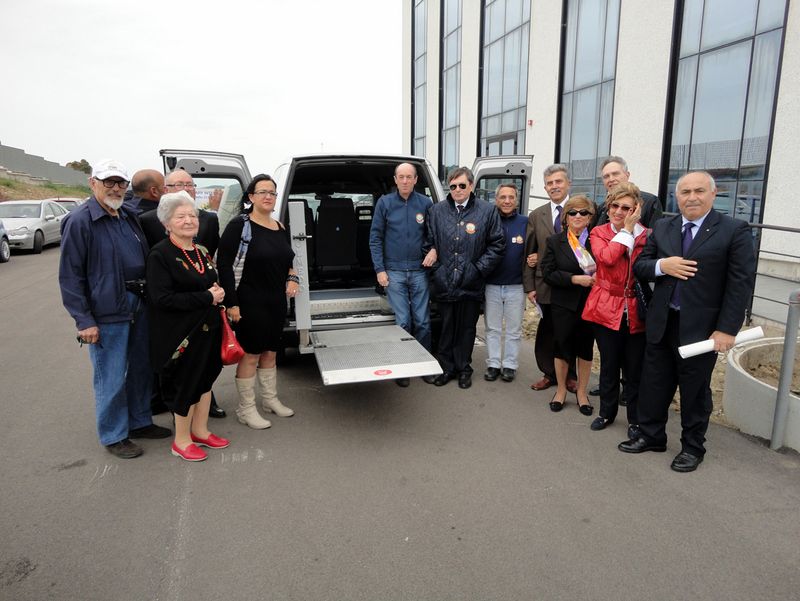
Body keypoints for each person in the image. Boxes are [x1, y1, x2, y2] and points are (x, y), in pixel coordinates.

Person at [619, 171, 756, 472]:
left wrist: (726, 329)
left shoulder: (734, 230)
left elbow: (740, 284)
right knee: (654, 384)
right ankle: (652, 436)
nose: (692, 197)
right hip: (662, 322)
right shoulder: (664, 227)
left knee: (694, 391)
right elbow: (641, 267)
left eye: (699, 191)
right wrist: (661, 265)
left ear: (713, 193)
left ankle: (693, 447)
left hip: (702, 330)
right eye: (685, 192)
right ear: (676, 196)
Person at [59, 159, 170, 459]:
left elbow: (154, 198)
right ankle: (114, 434)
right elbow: (70, 276)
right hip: (107, 310)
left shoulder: (127, 214)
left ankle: (139, 421)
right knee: (110, 374)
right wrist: (84, 320)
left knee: (141, 368)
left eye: (120, 182)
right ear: (92, 182)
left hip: (139, 302)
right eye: (108, 181)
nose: (115, 188)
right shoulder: (81, 221)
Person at [146, 192, 228, 462]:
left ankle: (200, 431)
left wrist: (216, 291)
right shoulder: (161, 254)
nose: (189, 220)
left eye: (192, 215)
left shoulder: (201, 250)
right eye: (180, 216)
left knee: (205, 381)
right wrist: (208, 297)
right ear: (167, 223)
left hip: (207, 329)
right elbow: (162, 298)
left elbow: (207, 282)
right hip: (180, 334)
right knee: (184, 385)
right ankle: (181, 440)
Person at [217, 174, 298, 428]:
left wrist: (293, 277)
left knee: (271, 352)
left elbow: (288, 260)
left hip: (275, 300)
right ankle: (246, 409)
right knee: (251, 355)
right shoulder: (239, 226)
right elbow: (224, 266)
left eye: (272, 193)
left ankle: (269, 400)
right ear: (251, 197)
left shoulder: (279, 227)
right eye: (262, 192)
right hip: (249, 300)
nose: (268, 196)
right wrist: (232, 303)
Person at [422, 166, 504, 389]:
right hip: (444, 282)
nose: (457, 190)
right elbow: (428, 243)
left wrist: (477, 270)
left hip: (471, 283)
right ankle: (447, 368)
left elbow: (497, 244)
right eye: (453, 186)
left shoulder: (487, 211)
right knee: (446, 327)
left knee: (467, 329)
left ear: (471, 186)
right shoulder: (436, 211)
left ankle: (464, 368)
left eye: (462, 185)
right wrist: (437, 269)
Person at [581, 183, 648, 436]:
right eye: (615, 206)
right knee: (609, 365)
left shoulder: (648, 235)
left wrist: (633, 230)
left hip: (635, 309)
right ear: (608, 208)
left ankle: (636, 420)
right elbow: (607, 258)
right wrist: (627, 231)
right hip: (606, 305)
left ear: (636, 209)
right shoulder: (599, 232)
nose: (619, 212)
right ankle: (606, 413)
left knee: (634, 370)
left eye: (626, 208)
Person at [369, 162, 434, 387]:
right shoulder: (385, 203)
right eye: (401, 177)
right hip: (393, 272)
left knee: (423, 322)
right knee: (403, 322)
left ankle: (424, 364)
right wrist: (380, 270)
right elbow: (375, 238)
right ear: (395, 180)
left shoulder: (425, 204)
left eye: (409, 177)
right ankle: (404, 366)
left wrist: (434, 249)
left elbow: (433, 234)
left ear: (416, 180)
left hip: (419, 271)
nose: (405, 181)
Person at [522, 164, 577, 393]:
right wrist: (529, 287)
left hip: (573, 285)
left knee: (570, 331)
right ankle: (548, 373)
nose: (554, 186)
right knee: (547, 332)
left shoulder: (581, 210)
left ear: (568, 184)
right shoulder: (537, 215)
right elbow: (529, 252)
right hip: (544, 284)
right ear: (545, 187)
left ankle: (570, 376)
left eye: (558, 182)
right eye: (550, 183)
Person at [540, 195, 597, 415]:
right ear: (566, 217)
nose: (578, 216)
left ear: (590, 217)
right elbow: (547, 272)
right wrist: (574, 279)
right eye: (573, 212)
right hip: (563, 303)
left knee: (585, 348)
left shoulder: (598, 240)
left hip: (590, 304)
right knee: (561, 346)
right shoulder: (555, 241)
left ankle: (582, 392)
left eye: (584, 212)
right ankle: (561, 390)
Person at [483, 183, 527, 383]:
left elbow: (533, 248)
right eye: (503, 197)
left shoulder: (526, 223)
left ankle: (509, 365)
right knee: (492, 328)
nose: (507, 201)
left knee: (514, 329)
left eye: (511, 197)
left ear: (516, 200)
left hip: (516, 286)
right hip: (491, 285)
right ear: (496, 199)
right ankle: (493, 364)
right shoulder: (488, 221)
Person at [596, 156, 663, 227]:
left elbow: (654, 235)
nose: (611, 179)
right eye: (606, 176)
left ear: (627, 175)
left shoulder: (650, 202)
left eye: (615, 174)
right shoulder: (602, 208)